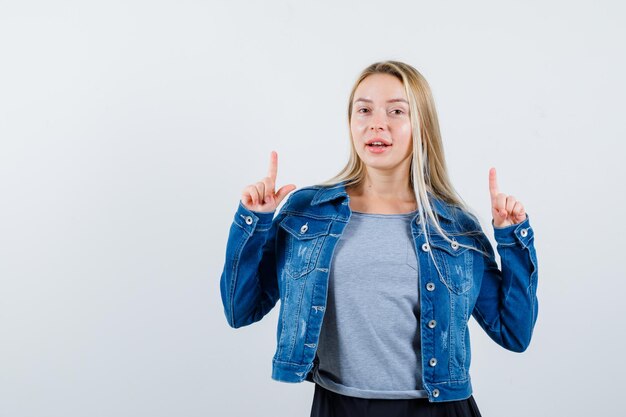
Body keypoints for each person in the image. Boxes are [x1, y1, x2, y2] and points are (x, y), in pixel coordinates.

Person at [219, 60, 539, 417]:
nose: (377, 123)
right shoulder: (306, 212)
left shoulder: (455, 227)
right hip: (338, 405)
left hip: (437, 409)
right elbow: (239, 309)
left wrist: (512, 240)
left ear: (422, 126)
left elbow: (514, 332)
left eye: (396, 111)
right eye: (364, 109)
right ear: (351, 122)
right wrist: (256, 222)